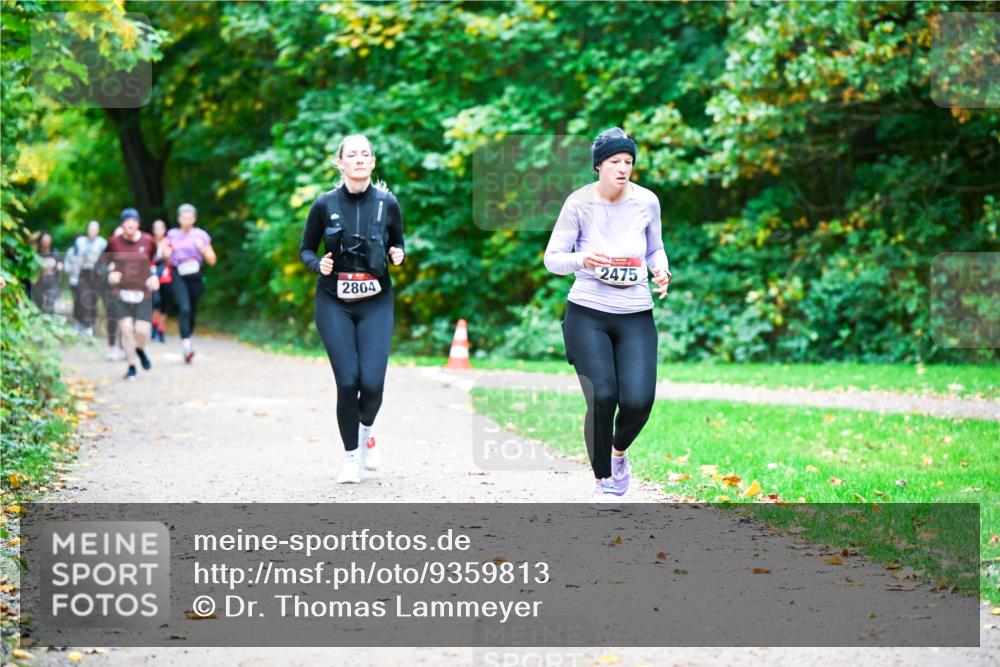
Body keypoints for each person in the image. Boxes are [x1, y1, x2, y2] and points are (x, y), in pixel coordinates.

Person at [543, 127, 671, 506]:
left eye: (628, 162)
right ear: (599, 166)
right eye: (615, 161)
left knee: (638, 401)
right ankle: (603, 479)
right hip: (587, 313)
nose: (623, 168)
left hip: (635, 313)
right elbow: (552, 259)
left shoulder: (647, 202)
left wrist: (661, 270)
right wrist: (583, 259)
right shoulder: (579, 204)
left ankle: (618, 454)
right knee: (603, 395)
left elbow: (656, 249)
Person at [299, 134, 405, 484]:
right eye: (352, 155)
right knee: (348, 381)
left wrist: (398, 254)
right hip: (334, 301)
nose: (359, 159)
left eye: (365, 154)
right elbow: (306, 250)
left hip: (376, 300)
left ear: (373, 162)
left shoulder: (387, 203)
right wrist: (319, 265)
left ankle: (367, 433)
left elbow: (398, 242)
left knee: (372, 383)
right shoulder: (323, 203)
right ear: (340, 163)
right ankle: (350, 458)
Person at [104, 208, 159, 380]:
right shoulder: (114, 242)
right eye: (127, 221)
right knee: (127, 329)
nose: (131, 224)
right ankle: (132, 366)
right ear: (122, 224)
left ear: (138, 224)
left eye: (134, 221)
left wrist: (155, 277)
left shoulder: (148, 241)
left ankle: (140, 350)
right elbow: (103, 263)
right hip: (121, 293)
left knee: (142, 331)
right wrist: (110, 275)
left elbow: (157, 261)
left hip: (143, 293)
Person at [167, 204, 215, 363]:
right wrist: (166, 252)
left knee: (192, 311)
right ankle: (186, 346)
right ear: (179, 218)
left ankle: (188, 337)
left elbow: (212, 260)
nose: (186, 220)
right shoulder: (172, 235)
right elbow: (163, 255)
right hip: (178, 274)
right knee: (185, 309)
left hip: (195, 275)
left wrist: (202, 249)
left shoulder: (200, 235)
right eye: (183, 217)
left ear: (194, 218)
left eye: (189, 217)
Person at [65, 220, 108, 336]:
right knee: (84, 299)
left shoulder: (103, 243)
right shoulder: (80, 242)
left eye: (95, 229)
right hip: (83, 273)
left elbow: (106, 260)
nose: (92, 231)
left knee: (93, 300)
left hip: (97, 275)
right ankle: (86, 325)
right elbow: (73, 256)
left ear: (98, 230)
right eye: (90, 228)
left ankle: (90, 324)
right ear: (87, 229)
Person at [150, 218, 173, 343]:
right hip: (153, 278)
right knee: (156, 302)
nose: (158, 231)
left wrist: (166, 254)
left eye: (161, 228)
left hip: (166, 277)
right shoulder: (150, 242)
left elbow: (170, 260)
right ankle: (154, 325)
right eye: (156, 228)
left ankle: (160, 328)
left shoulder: (168, 242)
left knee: (164, 305)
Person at [33, 231, 62, 314]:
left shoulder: (55, 252)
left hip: (52, 282)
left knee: (50, 302)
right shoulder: (36, 253)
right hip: (39, 282)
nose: (46, 241)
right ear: (41, 240)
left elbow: (59, 265)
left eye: (48, 239)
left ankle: (49, 320)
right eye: (44, 239)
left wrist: (58, 267)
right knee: (39, 304)